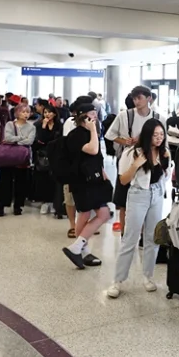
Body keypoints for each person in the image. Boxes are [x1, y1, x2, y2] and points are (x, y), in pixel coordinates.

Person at [107, 119, 170, 298]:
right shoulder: (132, 153)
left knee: (152, 237)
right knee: (130, 237)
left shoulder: (164, 153)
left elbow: (165, 177)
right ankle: (118, 281)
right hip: (137, 194)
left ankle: (148, 276)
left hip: (156, 195)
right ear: (147, 135)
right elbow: (123, 180)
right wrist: (135, 165)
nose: (159, 138)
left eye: (161, 135)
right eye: (155, 135)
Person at [105, 86, 165, 233]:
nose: (137, 101)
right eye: (134, 98)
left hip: (150, 161)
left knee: (148, 201)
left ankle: (144, 235)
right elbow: (110, 135)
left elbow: (163, 142)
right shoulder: (124, 116)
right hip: (128, 159)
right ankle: (126, 233)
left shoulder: (159, 118)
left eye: (140, 98)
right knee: (124, 201)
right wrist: (126, 142)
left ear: (149, 98)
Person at [61, 104, 110, 269]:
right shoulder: (76, 135)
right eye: (91, 114)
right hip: (82, 181)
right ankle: (78, 247)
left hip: (94, 179)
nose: (95, 116)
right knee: (98, 213)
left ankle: (81, 249)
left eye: (96, 113)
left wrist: (103, 171)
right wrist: (93, 130)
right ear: (82, 116)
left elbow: (97, 157)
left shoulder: (89, 132)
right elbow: (94, 150)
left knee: (89, 213)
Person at [0, 104, 36, 216]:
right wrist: (21, 138)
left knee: (21, 183)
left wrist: (15, 141)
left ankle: (18, 206)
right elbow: (7, 138)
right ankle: (1, 206)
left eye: (27, 112)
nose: (26, 114)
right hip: (8, 157)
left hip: (22, 158)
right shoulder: (10, 124)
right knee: (5, 182)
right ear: (17, 113)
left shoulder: (32, 127)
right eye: (23, 112)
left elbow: (30, 141)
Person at [33, 104, 61, 215]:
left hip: (56, 155)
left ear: (54, 113)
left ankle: (53, 203)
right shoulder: (39, 125)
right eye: (45, 112)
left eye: (49, 112)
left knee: (53, 179)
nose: (47, 114)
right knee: (43, 179)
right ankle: (44, 203)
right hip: (43, 155)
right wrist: (44, 126)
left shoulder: (59, 125)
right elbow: (41, 140)